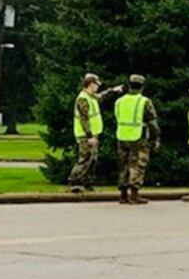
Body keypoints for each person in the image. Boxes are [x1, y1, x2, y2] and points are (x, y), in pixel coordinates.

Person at [68, 73, 121, 189]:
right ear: (91, 84)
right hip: (86, 135)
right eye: (96, 84)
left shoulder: (91, 96)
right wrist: (89, 136)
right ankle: (74, 181)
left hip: (93, 134)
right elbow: (84, 119)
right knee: (85, 158)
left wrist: (114, 90)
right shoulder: (83, 98)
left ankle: (88, 183)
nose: (98, 87)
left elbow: (101, 96)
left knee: (93, 160)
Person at [113, 74, 160, 203]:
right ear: (142, 87)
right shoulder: (144, 101)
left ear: (129, 85)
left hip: (122, 136)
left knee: (123, 165)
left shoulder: (119, 101)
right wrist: (155, 138)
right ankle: (134, 194)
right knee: (137, 165)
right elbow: (152, 122)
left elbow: (117, 117)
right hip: (138, 136)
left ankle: (123, 195)